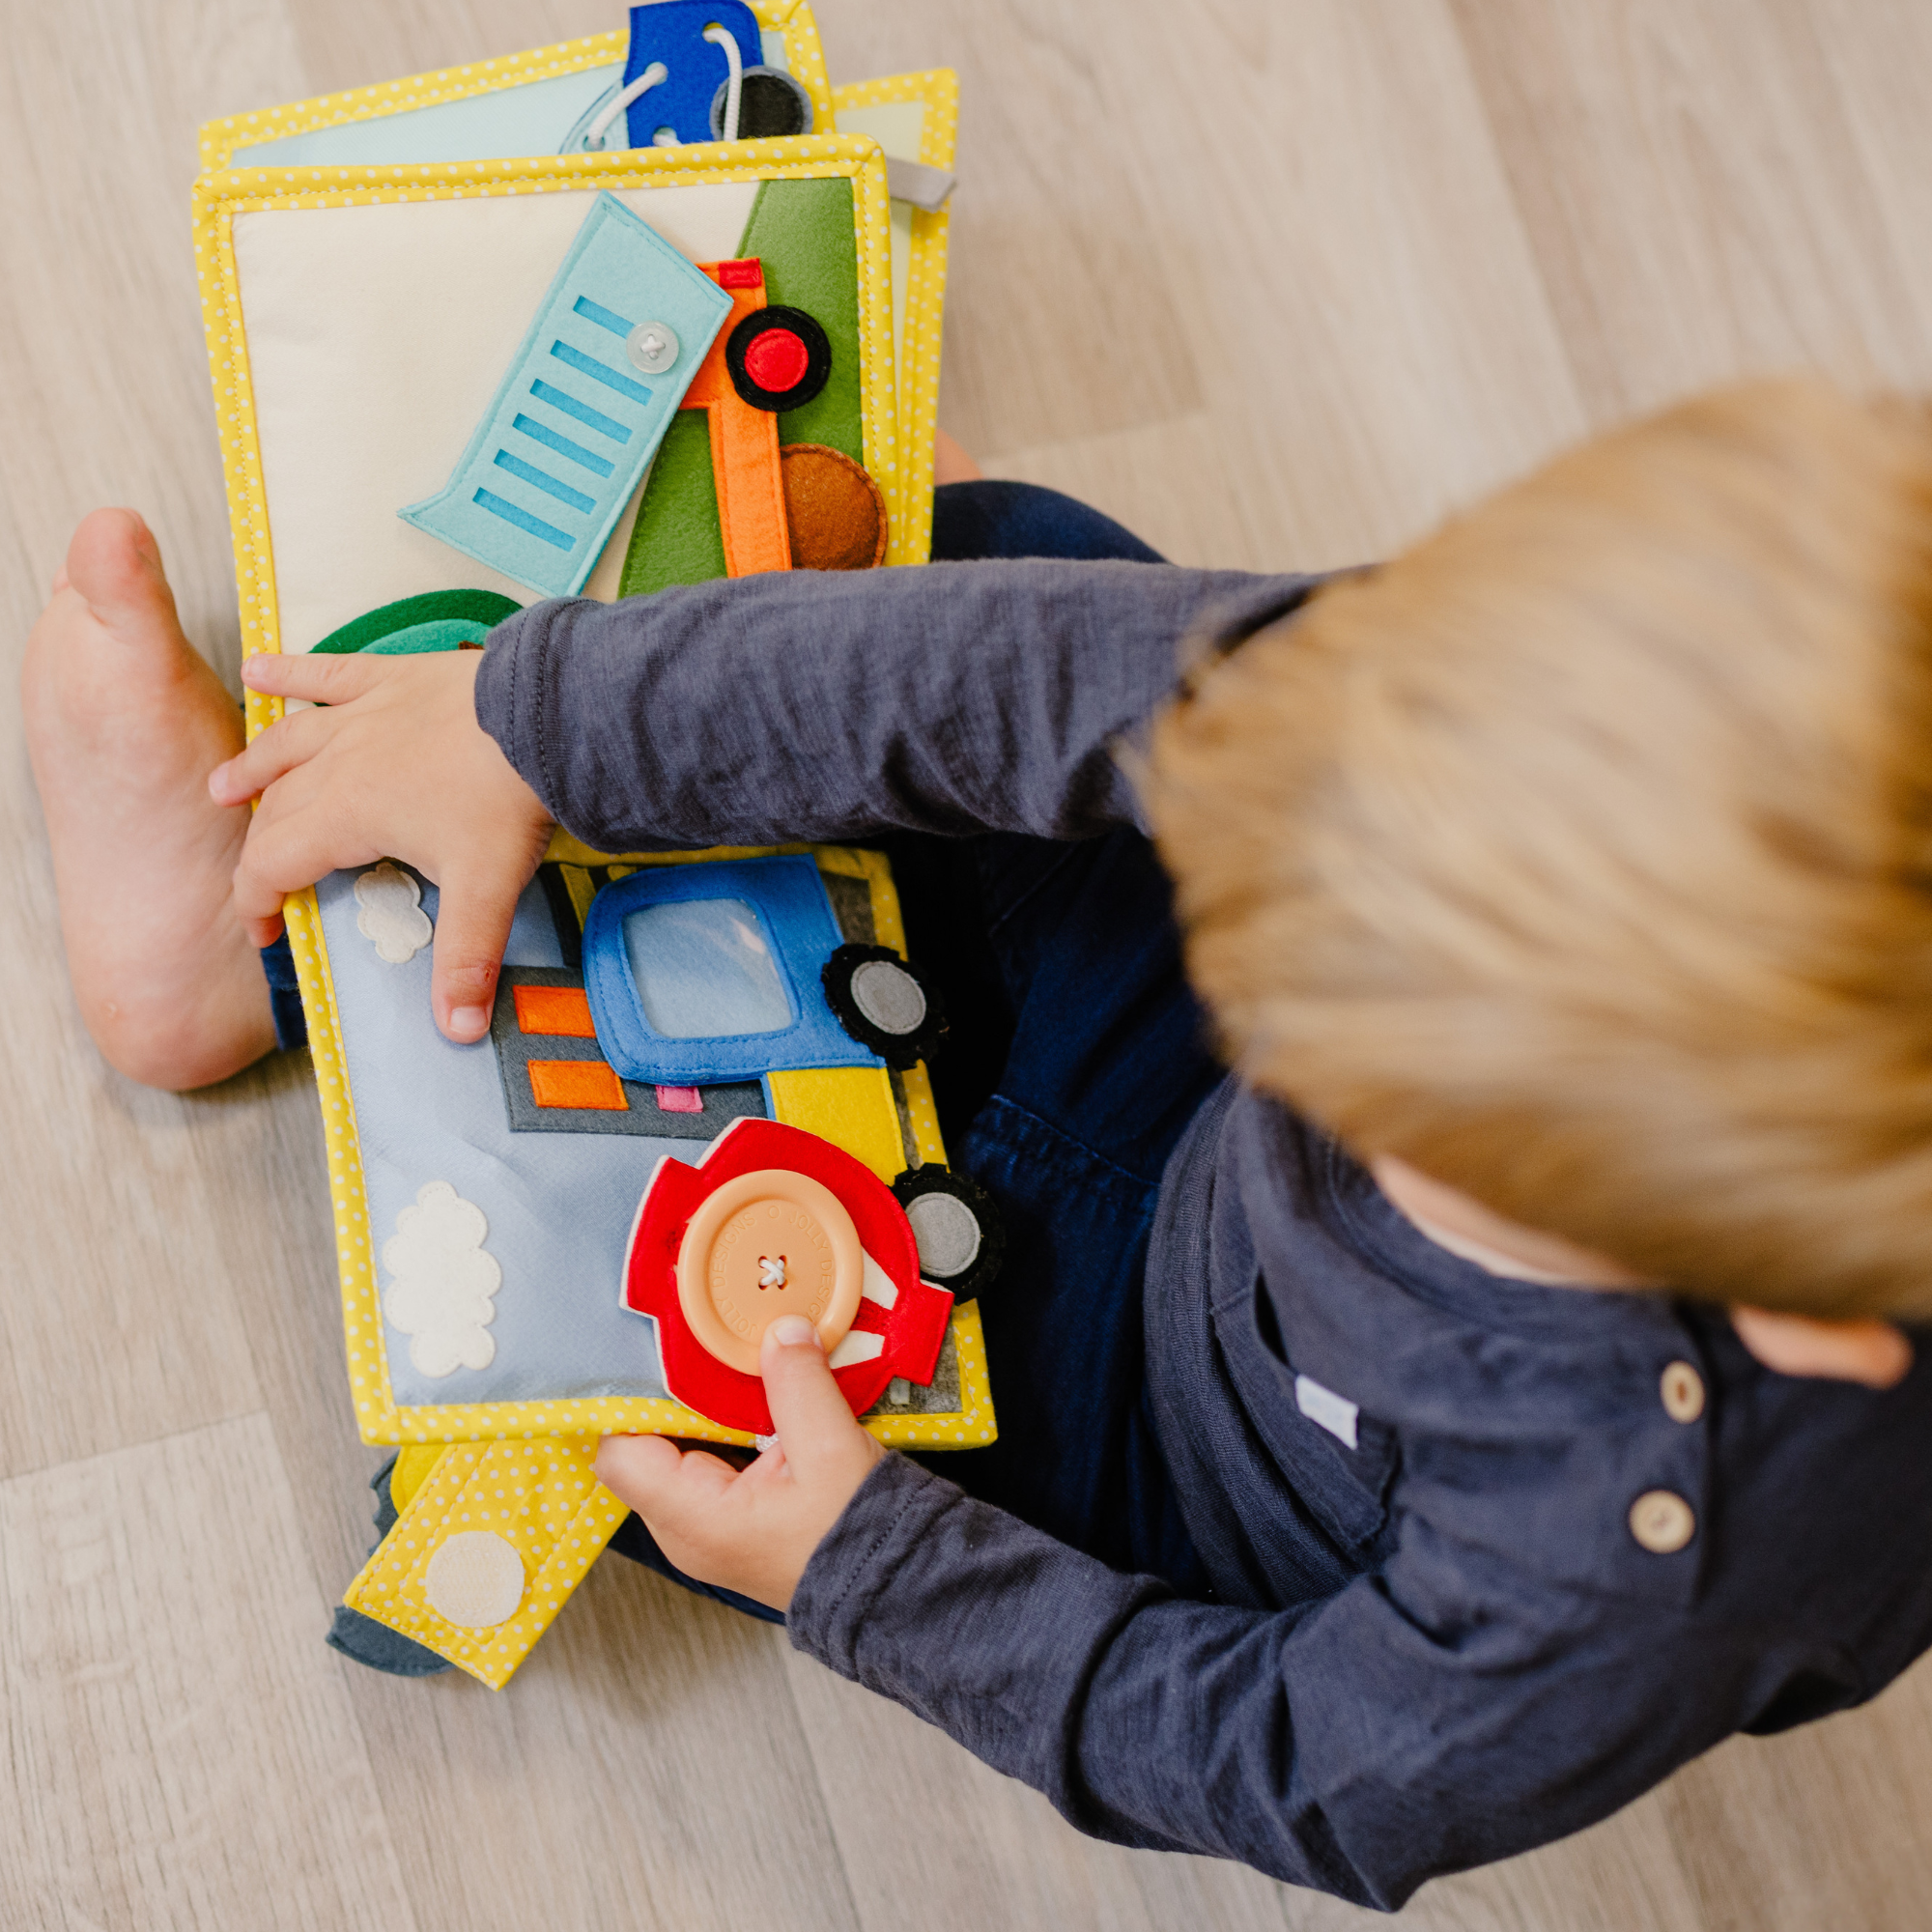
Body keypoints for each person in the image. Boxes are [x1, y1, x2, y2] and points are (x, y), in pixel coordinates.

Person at [22, 384, 1932, 1910]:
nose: (1293, 998)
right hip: (1185, 1094)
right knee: (1026, 594)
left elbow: (1293, 1760)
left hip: (1159, 1463)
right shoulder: (1502, 730)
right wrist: (543, 723)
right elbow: (1036, 683)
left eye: (1368, 1076)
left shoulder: (1631, 1562)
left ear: (1800, 1317)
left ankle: (227, 967)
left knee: (694, 1413)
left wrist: (873, 1564)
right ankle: (294, 890)